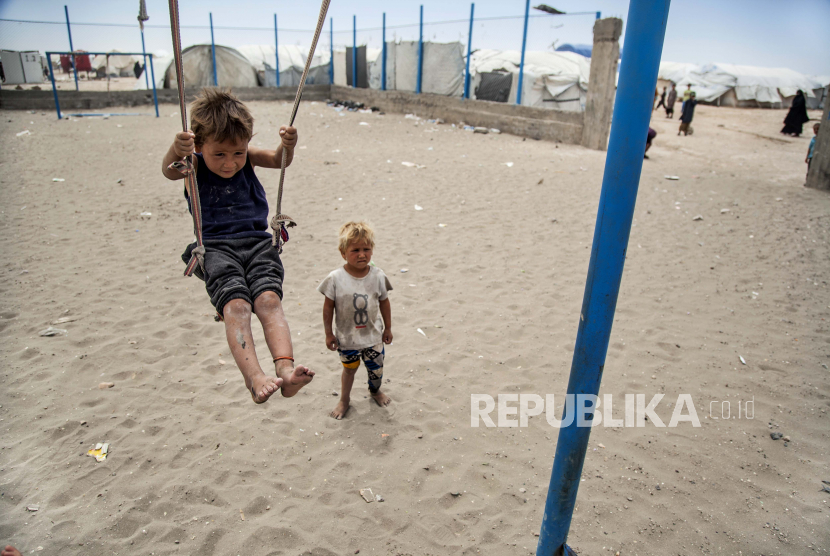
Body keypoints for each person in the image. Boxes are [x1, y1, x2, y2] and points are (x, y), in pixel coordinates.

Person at [161, 88, 314, 404]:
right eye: (220, 154)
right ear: (201, 146)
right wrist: (176, 150)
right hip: (216, 248)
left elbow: (277, 160)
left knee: (269, 300)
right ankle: (255, 377)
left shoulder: (248, 158)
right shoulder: (193, 164)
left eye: (238, 153)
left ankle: (285, 371)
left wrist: (288, 145)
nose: (230, 163)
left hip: (258, 243)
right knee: (237, 307)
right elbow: (168, 170)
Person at [318, 221, 393, 419]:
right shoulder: (335, 278)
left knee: (376, 370)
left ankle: (375, 391)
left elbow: (385, 303)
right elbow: (328, 308)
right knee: (349, 371)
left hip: (373, 338)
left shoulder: (378, 276)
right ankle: (344, 399)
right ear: (343, 252)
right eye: (355, 250)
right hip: (347, 339)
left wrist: (388, 328)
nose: (361, 254)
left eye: (366, 249)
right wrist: (328, 333)